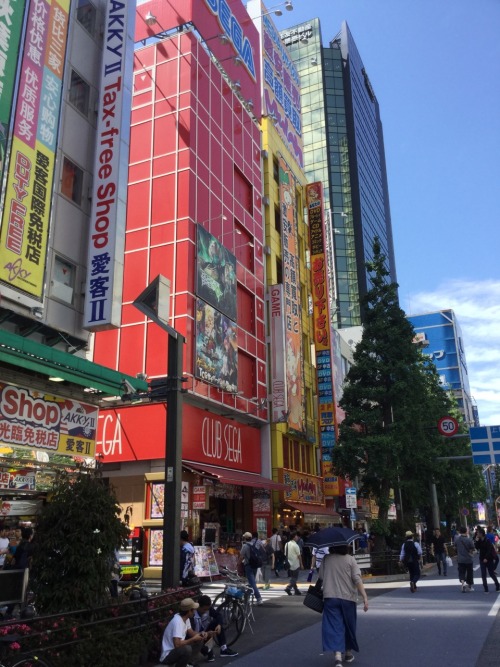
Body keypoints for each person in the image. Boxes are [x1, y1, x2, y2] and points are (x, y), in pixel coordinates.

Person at [319, 545, 369, 667]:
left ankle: (337, 656)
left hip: (330, 597)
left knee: (334, 626)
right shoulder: (350, 559)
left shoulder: (326, 559)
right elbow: (357, 579)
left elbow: (321, 577)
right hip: (348, 598)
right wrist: (365, 597)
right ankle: (347, 652)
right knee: (348, 625)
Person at [160, 597, 205, 666]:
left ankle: (189, 663)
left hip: (177, 650)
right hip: (168, 655)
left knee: (199, 640)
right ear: (189, 611)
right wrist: (193, 639)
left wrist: (201, 634)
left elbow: (192, 633)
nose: (195, 612)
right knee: (187, 649)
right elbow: (177, 644)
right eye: (194, 610)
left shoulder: (186, 619)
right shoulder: (177, 622)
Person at [192, 595, 238, 660]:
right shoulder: (192, 614)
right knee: (207, 654)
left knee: (217, 623)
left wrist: (219, 625)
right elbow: (192, 632)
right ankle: (207, 650)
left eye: (207, 609)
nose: (205, 611)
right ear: (198, 606)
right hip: (197, 635)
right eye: (204, 609)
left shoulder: (208, 609)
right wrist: (206, 634)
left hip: (205, 631)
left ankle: (223, 648)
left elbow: (218, 615)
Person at [238, 532, 263, 605]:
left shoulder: (245, 546)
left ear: (245, 538)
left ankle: (259, 598)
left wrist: (238, 564)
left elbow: (241, 557)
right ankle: (246, 599)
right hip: (255, 565)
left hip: (248, 566)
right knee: (250, 583)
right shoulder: (254, 544)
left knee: (252, 583)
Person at [474, 527, 500, 594]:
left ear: (481, 534)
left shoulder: (487, 540)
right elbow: (477, 547)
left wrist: (486, 558)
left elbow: (489, 550)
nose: (477, 534)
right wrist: (476, 540)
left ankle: (497, 585)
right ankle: (486, 589)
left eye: (478, 533)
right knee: (483, 574)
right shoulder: (479, 540)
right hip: (482, 559)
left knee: (491, 574)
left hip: (489, 559)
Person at [454, 526, 475, 592]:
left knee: (461, 572)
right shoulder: (469, 539)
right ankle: (469, 585)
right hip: (468, 559)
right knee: (469, 572)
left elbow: (455, 547)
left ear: (460, 531)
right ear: (466, 531)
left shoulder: (457, 539)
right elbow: (473, 548)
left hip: (460, 559)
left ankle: (463, 583)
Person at [284, 531, 303, 596]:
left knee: (292, 577)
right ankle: (288, 587)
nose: (297, 537)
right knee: (294, 578)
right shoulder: (295, 545)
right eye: (296, 536)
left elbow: (285, 554)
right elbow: (299, 556)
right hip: (295, 563)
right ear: (294, 537)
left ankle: (296, 590)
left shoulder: (287, 544)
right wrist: (301, 564)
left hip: (289, 563)